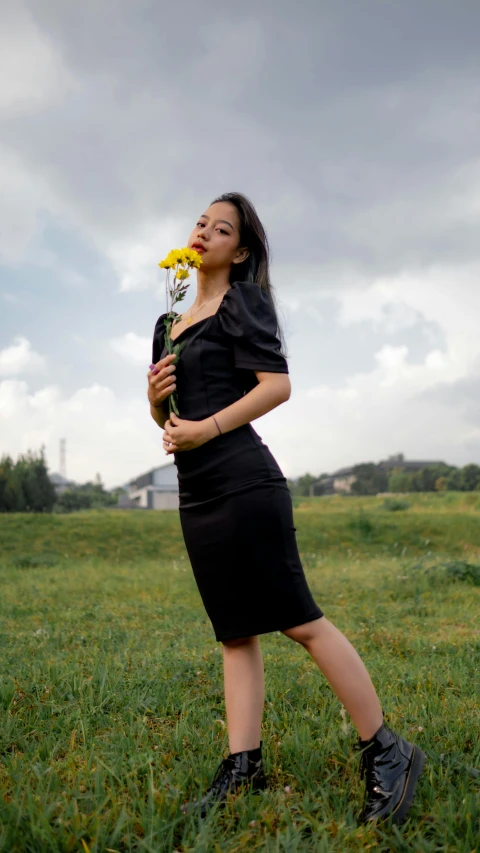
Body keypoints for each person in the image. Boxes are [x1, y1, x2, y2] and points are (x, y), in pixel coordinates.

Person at [147, 192, 425, 825]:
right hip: (198, 491)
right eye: (200, 222)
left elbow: (277, 385)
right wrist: (156, 399)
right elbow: (168, 420)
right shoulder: (167, 322)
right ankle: (244, 768)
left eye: (221, 229)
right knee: (234, 633)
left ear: (239, 251)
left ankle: (388, 751)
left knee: (300, 621)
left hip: (246, 482)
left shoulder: (243, 302)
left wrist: (205, 428)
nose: (204, 232)